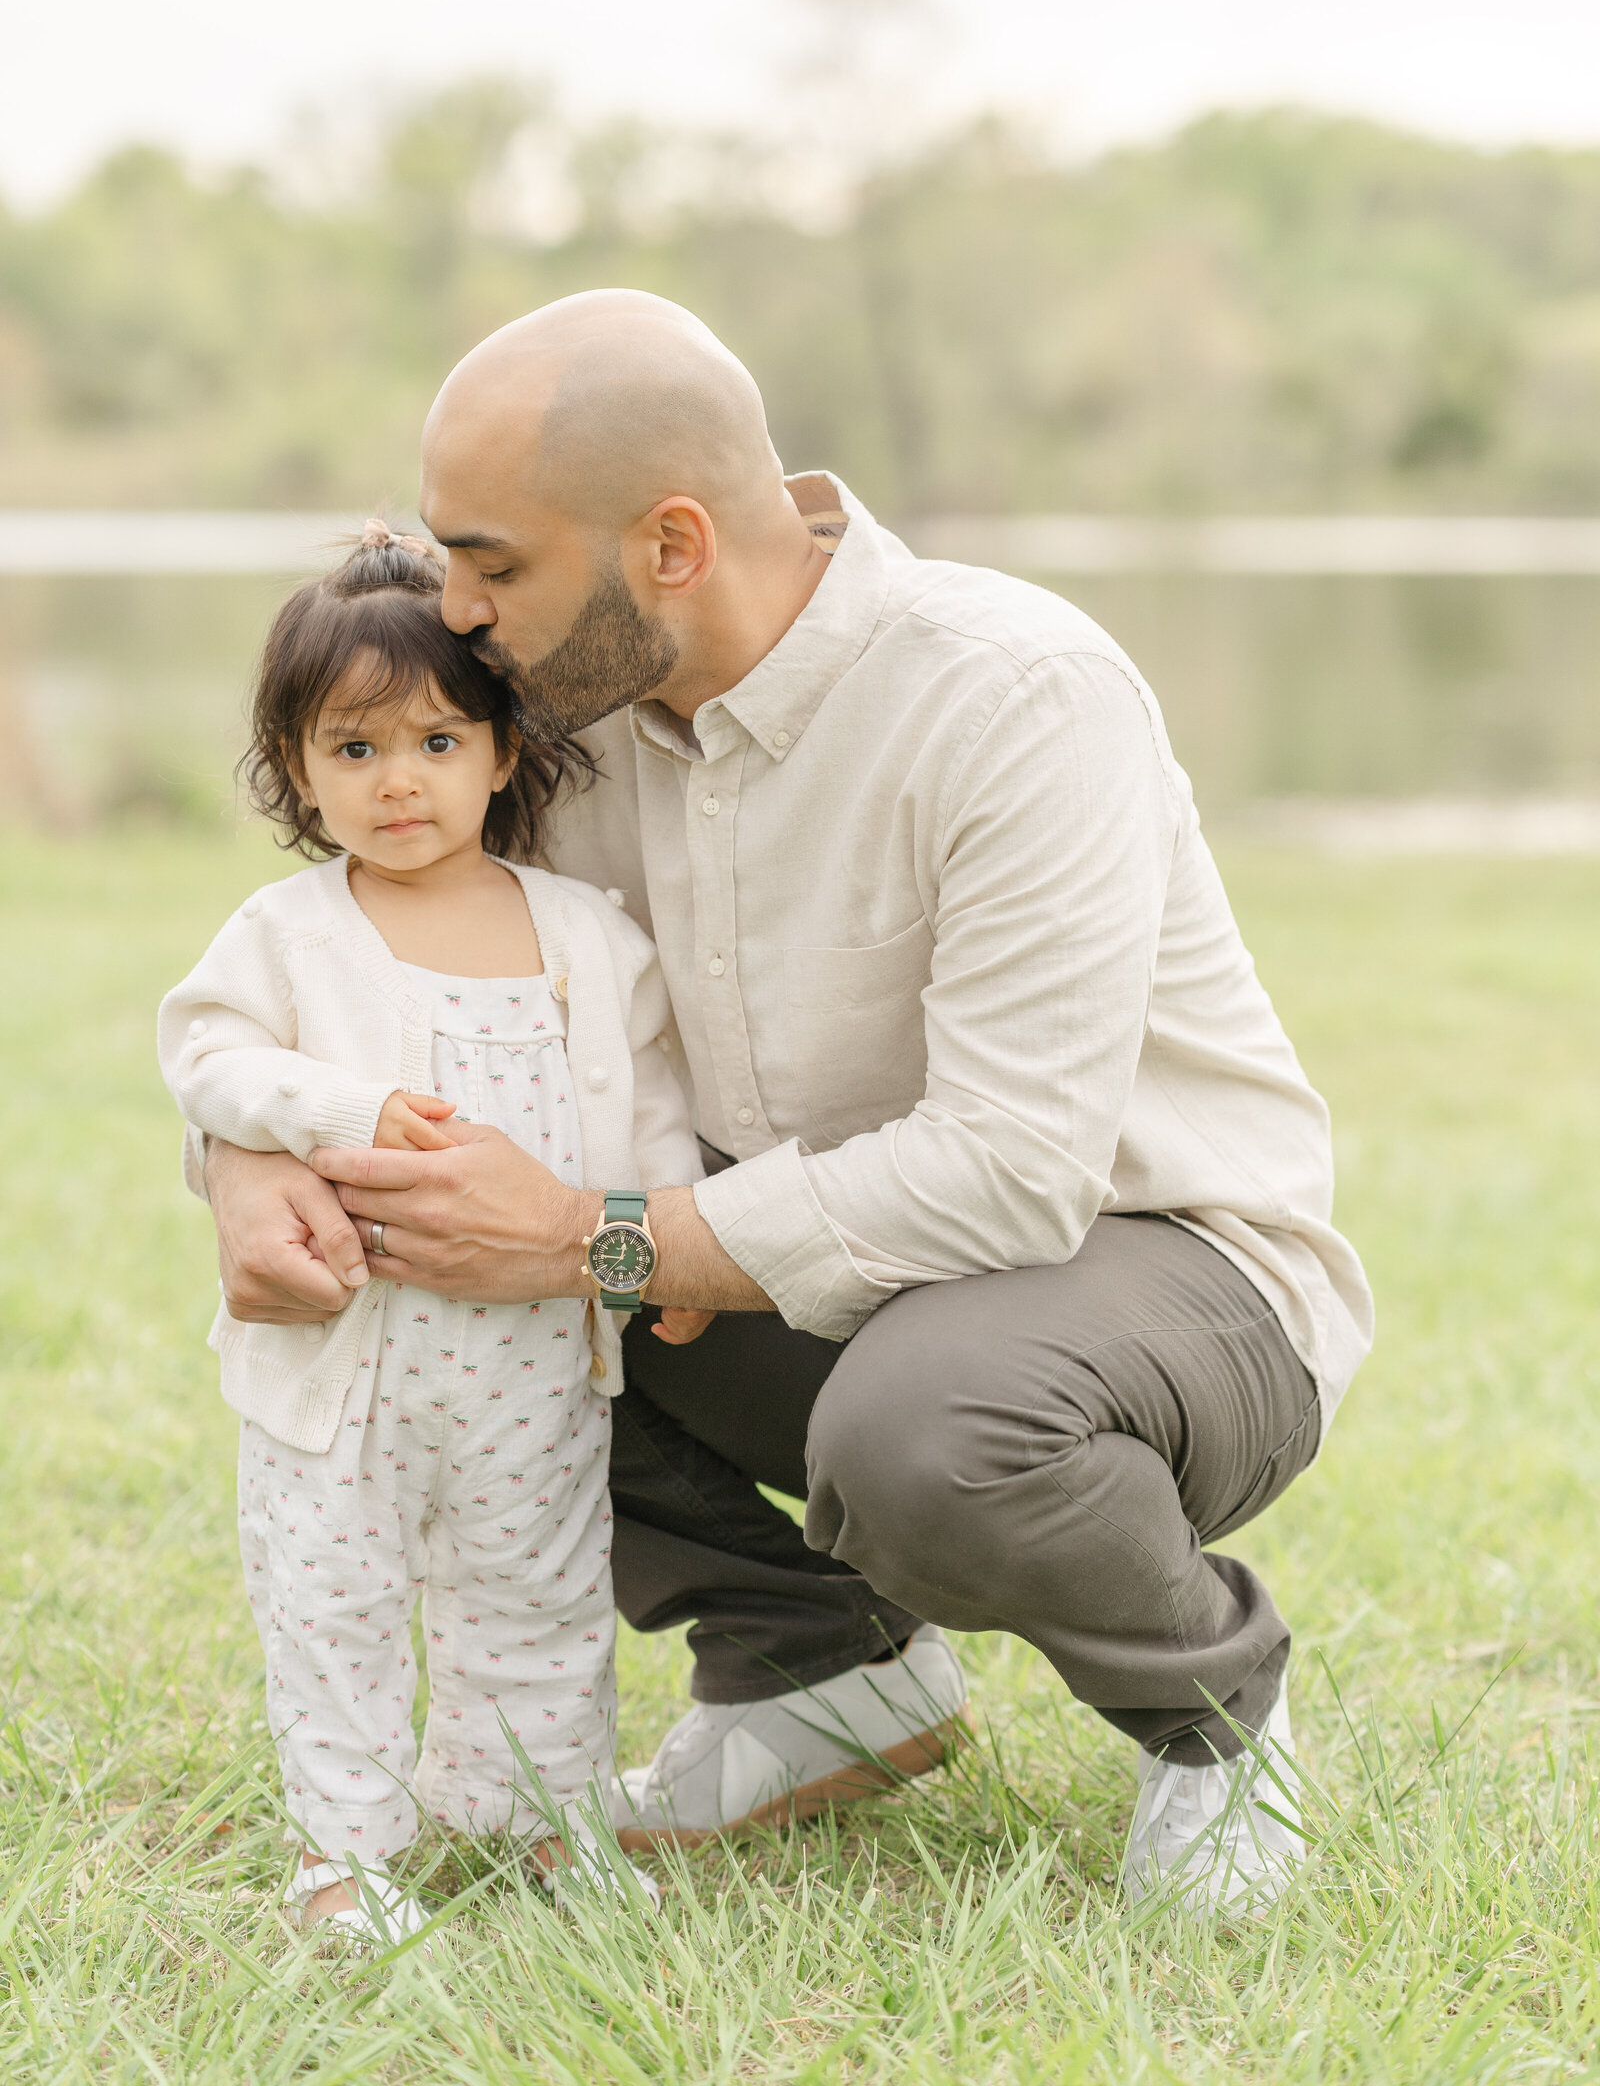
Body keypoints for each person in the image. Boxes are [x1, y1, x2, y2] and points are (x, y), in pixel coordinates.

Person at [200, 291, 1374, 1911]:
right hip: (794, 1261)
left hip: (1160, 1272)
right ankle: (818, 1671)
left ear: (669, 544)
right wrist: (244, 1165)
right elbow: (364, 971)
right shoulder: (567, 718)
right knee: (461, 1285)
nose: (456, 614)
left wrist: (600, 1242)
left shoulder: (1014, 694)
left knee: (922, 1432)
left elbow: (1012, 1176)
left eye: (494, 562)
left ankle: (1214, 1720)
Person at [159, 524, 699, 1942]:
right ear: (295, 768)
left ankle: (532, 1817)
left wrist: (658, 1272)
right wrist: (337, 1110)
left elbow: (646, 1119)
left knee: (542, 1601)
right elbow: (205, 1056)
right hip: (349, 1374)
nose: (397, 780)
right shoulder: (288, 937)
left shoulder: (586, 934)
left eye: (436, 741)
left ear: (504, 755)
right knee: (332, 1612)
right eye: (352, 750)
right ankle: (342, 1859)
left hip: (532, 1365)